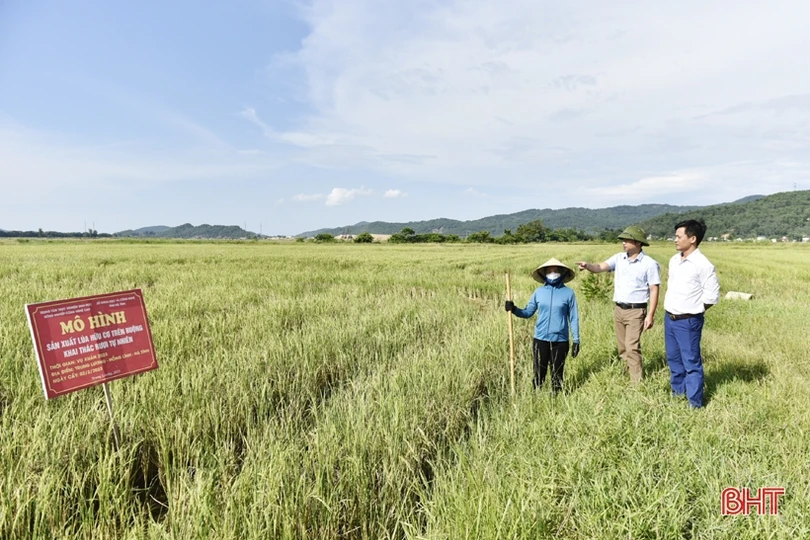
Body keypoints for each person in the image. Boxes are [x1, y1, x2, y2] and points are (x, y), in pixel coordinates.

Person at [577, 225, 660, 383]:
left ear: (638, 243)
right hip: (619, 309)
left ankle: (636, 384)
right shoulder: (619, 258)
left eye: (627, 240)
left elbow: (654, 289)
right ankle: (627, 375)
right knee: (622, 348)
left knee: (632, 347)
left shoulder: (649, 264)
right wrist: (588, 266)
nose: (623, 243)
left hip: (636, 311)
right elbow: (600, 267)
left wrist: (650, 315)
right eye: (623, 240)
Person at [663, 219, 720, 408]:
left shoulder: (703, 265)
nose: (675, 240)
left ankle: (694, 403)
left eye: (679, 236)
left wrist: (692, 311)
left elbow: (711, 297)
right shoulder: (674, 260)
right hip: (670, 318)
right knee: (673, 359)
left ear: (692, 239)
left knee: (691, 362)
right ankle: (677, 394)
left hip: (688, 321)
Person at [505, 258, 580, 393]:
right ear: (544, 274)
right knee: (539, 373)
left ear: (562, 273)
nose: (552, 273)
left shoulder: (569, 293)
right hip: (540, 340)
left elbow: (573, 318)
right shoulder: (538, 292)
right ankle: (536, 397)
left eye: (555, 270)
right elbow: (528, 312)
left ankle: (556, 400)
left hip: (560, 341)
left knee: (557, 375)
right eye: (549, 271)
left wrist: (576, 340)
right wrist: (514, 309)